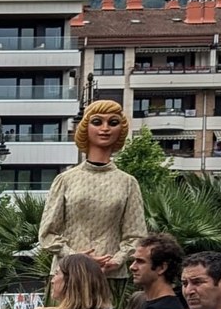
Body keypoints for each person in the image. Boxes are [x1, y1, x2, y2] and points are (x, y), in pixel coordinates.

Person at [36, 101, 147, 276]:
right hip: (69, 275)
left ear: (121, 130)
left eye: (113, 122)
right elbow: (47, 234)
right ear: (85, 128)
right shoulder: (65, 180)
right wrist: (76, 257)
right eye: (97, 122)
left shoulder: (128, 182)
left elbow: (137, 235)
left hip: (110, 275)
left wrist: (116, 260)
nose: (105, 128)